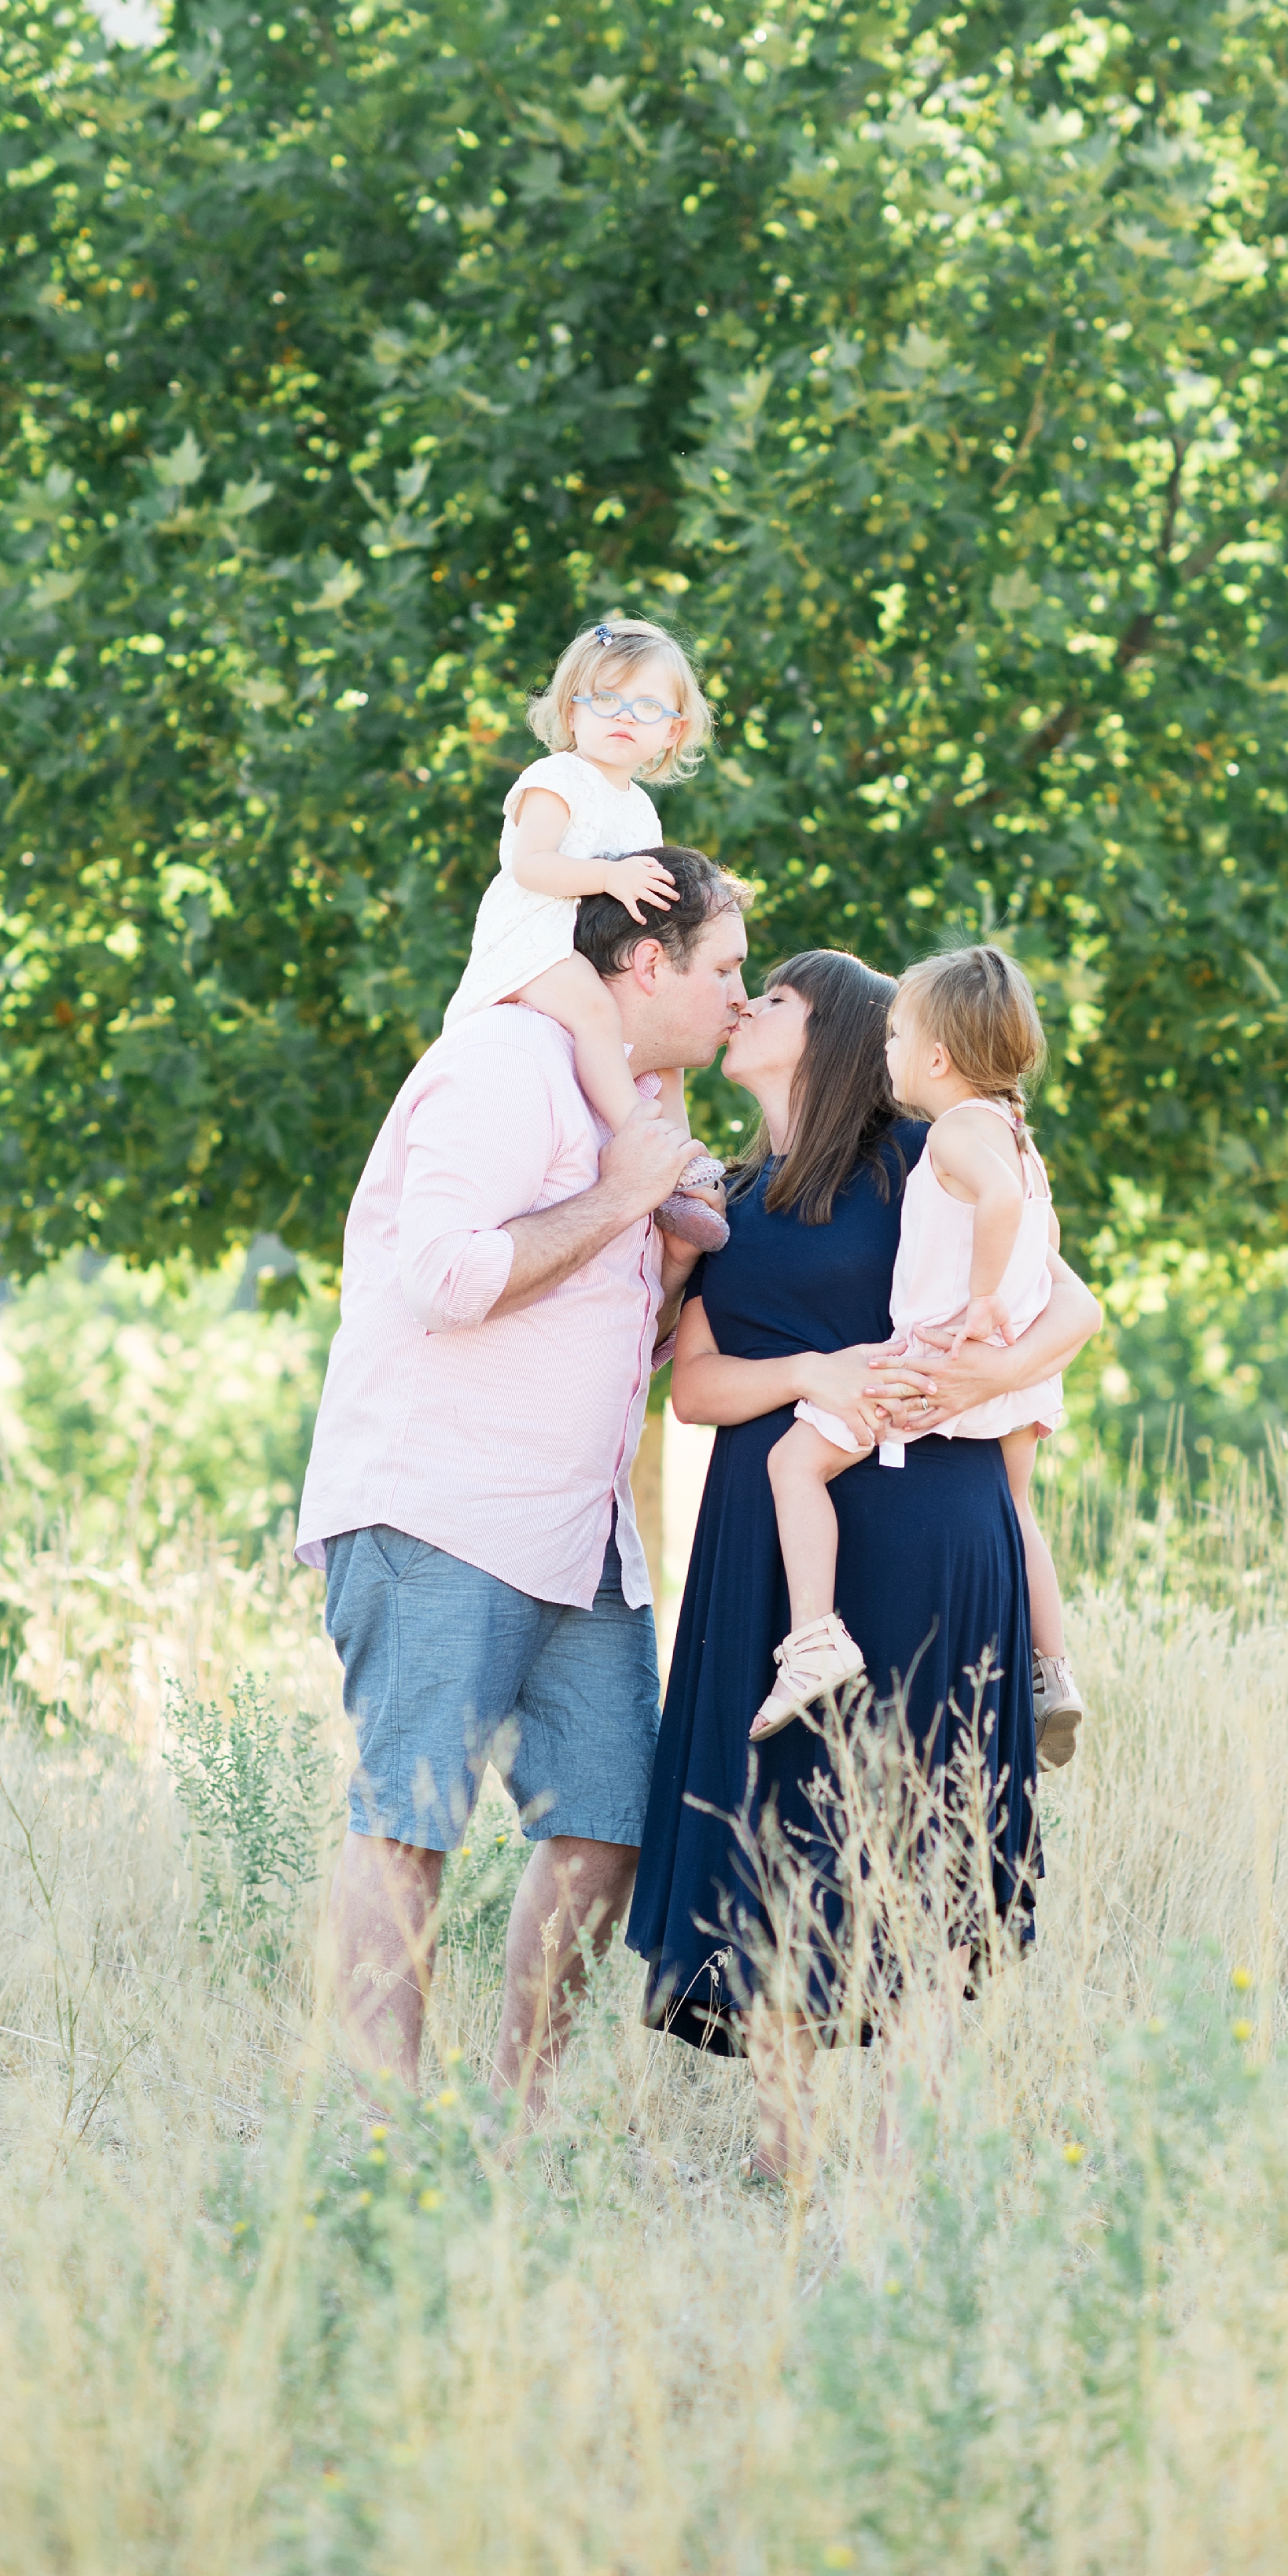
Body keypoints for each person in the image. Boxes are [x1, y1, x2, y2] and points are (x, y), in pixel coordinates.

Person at [624, 949, 1104, 2182]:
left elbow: (1069, 1305)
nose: (742, 1006)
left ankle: (905, 2157)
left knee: (924, 1829)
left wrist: (983, 1376)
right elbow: (700, 1389)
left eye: (769, 995)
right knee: (777, 1827)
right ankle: (787, 2159)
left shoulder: (915, 1154)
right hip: (773, 1549)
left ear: (831, 1028)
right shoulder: (728, 1196)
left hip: (928, 1520)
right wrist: (811, 1377)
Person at [295, 846, 753, 2107]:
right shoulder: (504, 1064)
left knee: (608, 1823)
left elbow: (605, 1328)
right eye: (726, 968)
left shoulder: (633, 1106)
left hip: (579, 1536)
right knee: (410, 1822)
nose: (738, 997)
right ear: (648, 959)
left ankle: (510, 2126)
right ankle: (379, 2138)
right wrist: (619, 1198)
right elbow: (445, 1278)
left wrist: (662, 1276)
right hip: (441, 1507)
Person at [756, 945, 1086, 1767]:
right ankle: (1053, 1669)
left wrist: (976, 1296)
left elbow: (1003, 1208)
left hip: (931, 1362)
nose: (886, 1050)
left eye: (895, 1035)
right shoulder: (1016, 1134)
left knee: (796, 1465)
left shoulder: (950, 1136)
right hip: (1009, 1376)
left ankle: (813, 1641)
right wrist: (1004, 1306)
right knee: (1016, 1514)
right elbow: (1041, 1235)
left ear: (936, 1057)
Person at [446, 614, 729, 1250]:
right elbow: (531, 865)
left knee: (668, 1041)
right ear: (572, 711)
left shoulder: (640, 807)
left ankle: (679, 1166)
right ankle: (641, 1143)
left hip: (592, 948)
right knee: (599, 1017)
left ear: (671, 730)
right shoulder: (557, 779)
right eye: (605, 698)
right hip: (535, 936)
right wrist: (610, 878)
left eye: (647, 704)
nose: (623, 714)